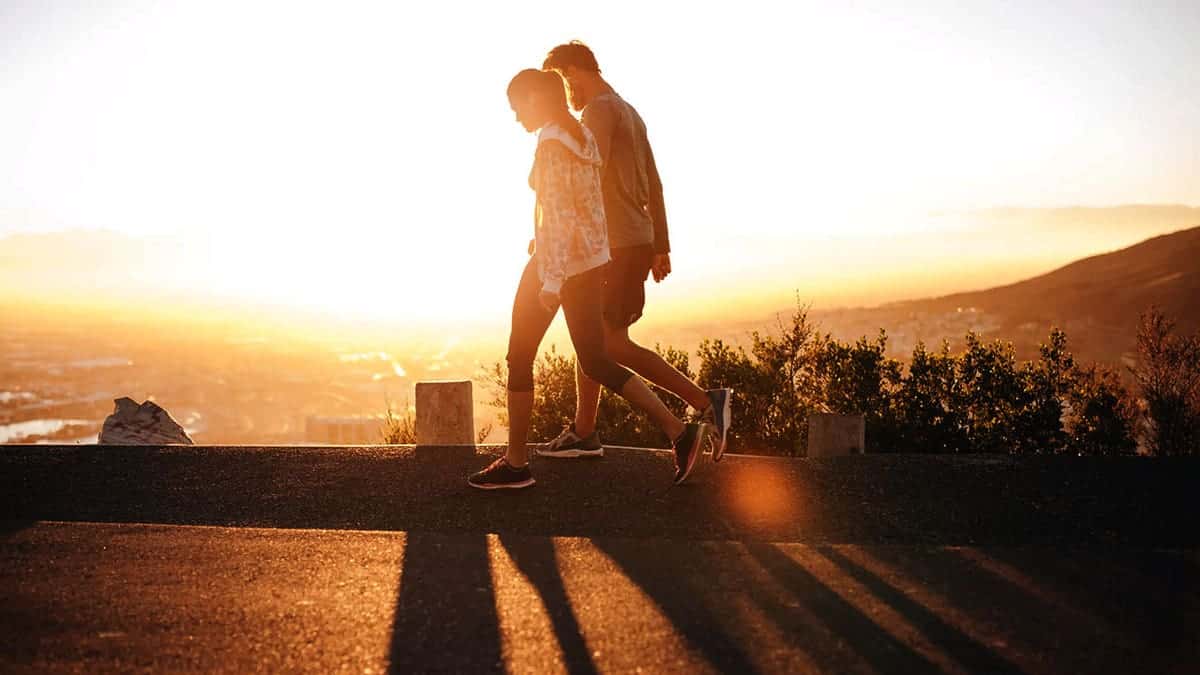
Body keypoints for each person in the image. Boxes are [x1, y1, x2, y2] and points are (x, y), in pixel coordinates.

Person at [468, 69, 705, 490]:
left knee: (519, 357)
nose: (516, 116)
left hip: (553, 265)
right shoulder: (583, 138)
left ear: (538, 99)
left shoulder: (552, 144)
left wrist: (551, 281)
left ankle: (516, 464)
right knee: (595, 359)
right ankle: (679, 432)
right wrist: (594, 261)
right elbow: (592, 210)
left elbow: (559, 217)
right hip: (589, 265)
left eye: (518, 105)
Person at [538, 41, 732, 461]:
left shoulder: (597, 112)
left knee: (610, 345)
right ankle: (584, 431)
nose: (563, 93)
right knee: (592, 339)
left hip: (614, 245)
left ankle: (704, 403)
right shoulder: (629, 110)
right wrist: (660, 244)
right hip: (632, 241)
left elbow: (586, 180)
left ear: (572, 72)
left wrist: (555, 231)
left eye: (560, 79)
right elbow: (655, 184)